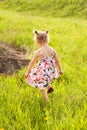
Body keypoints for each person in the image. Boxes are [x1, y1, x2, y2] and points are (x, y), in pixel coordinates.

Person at [25, 30, 63, 102]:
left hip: (42, 71)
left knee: (42, 87)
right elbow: (57, 61)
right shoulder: (53, 50)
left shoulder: (38, 52)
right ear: (47, 39)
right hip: (51, 70)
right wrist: (60, 70)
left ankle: (47, 103)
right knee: (45, 79)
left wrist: (28, 72)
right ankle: (49, 87)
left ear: (37, 41)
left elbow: (32, 62)